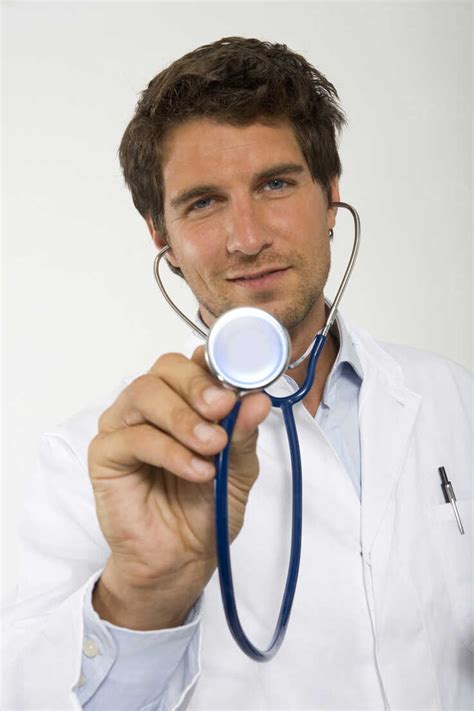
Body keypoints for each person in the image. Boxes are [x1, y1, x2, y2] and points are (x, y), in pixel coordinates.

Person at [2, 37, 472, 711]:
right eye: (202, 202)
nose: (247, 237)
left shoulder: (453, 402)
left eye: (275, 184)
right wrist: (145, 591)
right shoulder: (93, 463)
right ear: (159, 234)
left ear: (332, 193)